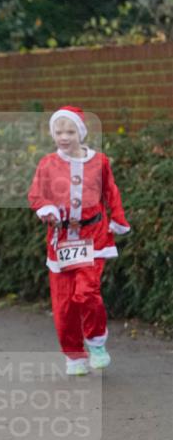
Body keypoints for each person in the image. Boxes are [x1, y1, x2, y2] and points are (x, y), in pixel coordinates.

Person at [27, 106, 130, 376]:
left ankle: (97, 342)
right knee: (64, 306)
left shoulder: (99, 161)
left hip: (93, 238)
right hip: (60, 242)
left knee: (86, 292)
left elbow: (111, 191)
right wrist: (46, 208)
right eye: (58, 131)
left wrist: (118, 218)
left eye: (70, 131)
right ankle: (74, 355)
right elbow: (37, 194)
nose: (64, 136)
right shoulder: (47, 163)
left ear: (81, 132)